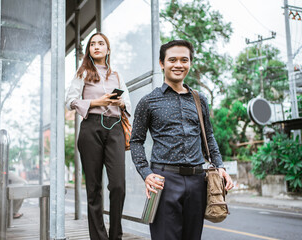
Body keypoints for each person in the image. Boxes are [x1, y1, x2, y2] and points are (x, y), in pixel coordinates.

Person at [130, 40, 234, 240]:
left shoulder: (199, 99)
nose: (178, 64)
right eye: (172, 60)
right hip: (164, 181)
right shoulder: (148, 102)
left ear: (190, 63)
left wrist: (219, 165)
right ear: (162, 63)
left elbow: (208, 136)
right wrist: (146, 173)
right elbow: (136, 141)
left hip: (197, 181)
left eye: (184, 60)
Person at [66, 32, 131, 240]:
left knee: (118, 185)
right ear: (89, 50)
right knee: (93, 188)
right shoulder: (82, 73)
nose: (96, 47)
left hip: (114, 128)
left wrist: (119, 103)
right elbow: (70, 101)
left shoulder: (117, 76)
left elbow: (128, 104)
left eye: (101, 43)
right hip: (90, 128)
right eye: (92, 44)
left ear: (108, 49)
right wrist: (97, 102)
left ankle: (115, 236)